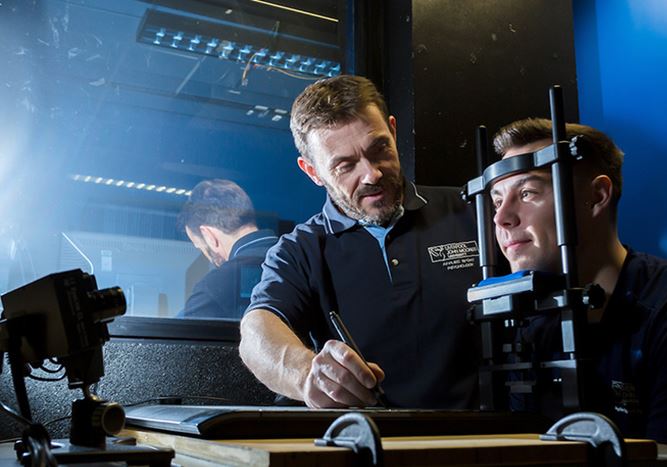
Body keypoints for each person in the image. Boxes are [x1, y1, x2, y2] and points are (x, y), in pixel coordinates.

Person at [488, 118, 667, 451]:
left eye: (527, 193)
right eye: (497, 200)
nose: (502, 218)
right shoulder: (532, 328)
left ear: (597, 196)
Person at [239, 75, 483, 409]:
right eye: (345, 165)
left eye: (379, 148)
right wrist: (307, 374)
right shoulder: (300, 251)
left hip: (485, 437)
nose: (372, 174)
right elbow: (257, 332)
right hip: (368, 445)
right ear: (312, 171)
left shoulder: (472, 209)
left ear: (393, 132)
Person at [177, 179, 278, 320]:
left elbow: (177, 335)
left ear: (209, 235)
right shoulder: (300, 256)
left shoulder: (215, 288)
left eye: (201, 247)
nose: (206, 257)